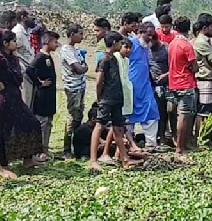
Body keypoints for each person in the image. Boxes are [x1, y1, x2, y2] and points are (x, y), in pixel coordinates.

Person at [0, 29, 46, 178]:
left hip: (14, 97)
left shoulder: (12, 58)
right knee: (2, 131)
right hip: (2, 99)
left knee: (30, 123)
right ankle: (4, 166)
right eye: (13, 41)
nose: (16, 43)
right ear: (5, 43)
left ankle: (28, 159)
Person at [89, 32, 134, 171]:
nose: (121, 45)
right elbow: (99, 81)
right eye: (120, 43)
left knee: (118, 128)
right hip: (107, 99)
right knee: (99, 126)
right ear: (114, 42)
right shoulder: (105, 59)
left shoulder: (114, 58)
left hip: (116, 98)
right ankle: (93, 160)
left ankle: (125, 158)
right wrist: (100, 98)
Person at [121, 13, 160, 149]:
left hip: (145, 86)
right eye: (148, 34)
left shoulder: (145, 47)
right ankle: (128, 144)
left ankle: (150, 144)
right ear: (140, 32)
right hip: (131, 87)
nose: (150, 37)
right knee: (128, 117)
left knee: (151, 113)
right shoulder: (130, 44)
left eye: (152, 35)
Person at [167, 16, 197, 154]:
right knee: (184, 116)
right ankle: (180, 147)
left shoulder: (172, 44)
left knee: (175, 115)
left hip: (173, 83)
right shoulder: (187, 46)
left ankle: (178, 143)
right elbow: (194, 67)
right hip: (185, 83)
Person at [26, 31, 59, 155]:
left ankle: (45, 147)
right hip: (42, 97)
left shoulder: (48, 56)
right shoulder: (40, 56)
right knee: (42, 122)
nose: (57, 45)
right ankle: (38, 150)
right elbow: (30, 70)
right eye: (55, 42)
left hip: (50, 96)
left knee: (48, 122)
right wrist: (39, 83)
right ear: (47, 42)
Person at [60, 24, 88, 159]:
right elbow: (79, 68)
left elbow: (85, 66)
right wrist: (83, 67)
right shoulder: (66, 50)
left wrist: (83, 67)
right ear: (72, 34)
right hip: (73, 87)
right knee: (72, 117)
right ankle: (66, 149)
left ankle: (77, 145)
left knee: (79, 115)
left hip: (80, 85)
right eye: (80, 34)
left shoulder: (76, 50)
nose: (82, 37)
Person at [143, 22, 172, 147]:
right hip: (152, 85)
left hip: (167, 84)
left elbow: (174, 66)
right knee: (156, 112)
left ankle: (165, 136)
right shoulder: (146, 50)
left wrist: (165, 75)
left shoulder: (166, 48)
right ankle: (157, 137)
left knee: (166, 112)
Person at [193, 15, 212, 138]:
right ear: (204, 28)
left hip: (211, 79)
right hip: (205, 80)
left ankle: (206, 137)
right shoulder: (201, 42)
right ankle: (200, 138)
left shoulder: (207, 40)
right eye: (211, 27)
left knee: (210, 111)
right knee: (203, 112)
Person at [12, 10, 37, 106]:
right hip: (23, 74)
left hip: (29, 73)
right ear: (23, 17)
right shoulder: (17, 33)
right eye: (30, 15)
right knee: (25, 105)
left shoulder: (25, 33)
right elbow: (12, 52)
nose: (33, 18)